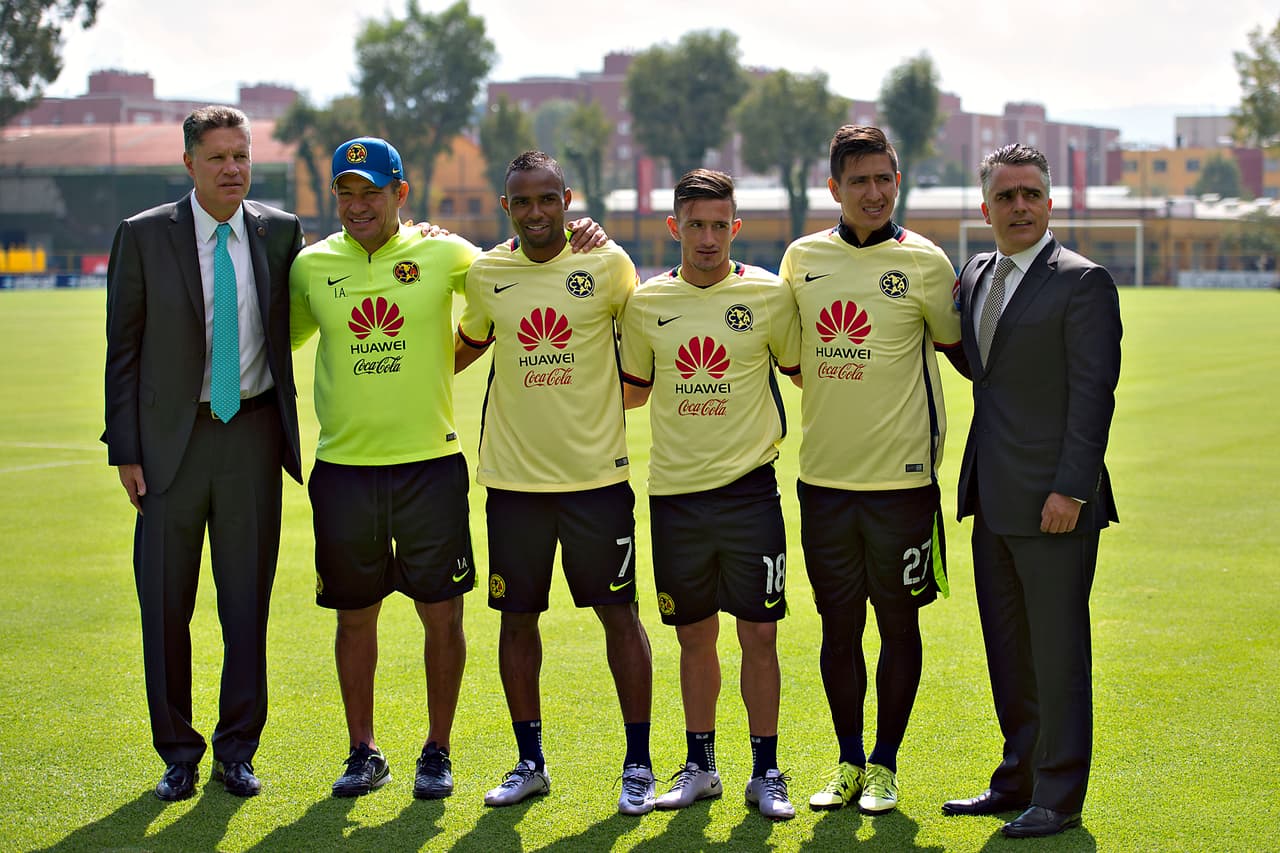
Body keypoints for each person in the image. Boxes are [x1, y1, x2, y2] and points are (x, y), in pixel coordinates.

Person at [289, 138, 606, 800]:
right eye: (346, 193)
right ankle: (363, 749)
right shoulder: (310, 267)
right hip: (344, 470)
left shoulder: (449, 254)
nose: (358, 205)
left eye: (371, 192)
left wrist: (585, 234)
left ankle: (437, 748)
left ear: (401, 194)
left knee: (443, 616)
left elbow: (523, 267)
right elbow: (271, 342)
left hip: (430, 465)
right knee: (355, 617)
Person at [103, 106, 304, 801]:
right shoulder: (143, 235)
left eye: (242, 156)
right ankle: (178, 751)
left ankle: (237, 749)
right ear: (189, 163)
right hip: (168, 446)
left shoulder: (281, 233)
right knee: (165, 605)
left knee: (246, 602)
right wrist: (125, 448)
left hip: (251, 434)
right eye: (217, 157)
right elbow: (122, 350)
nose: (232, 169)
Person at [455, 151, 655, 816]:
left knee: (619, 615)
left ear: (568, 199)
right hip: (513, 482)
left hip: (597, 480)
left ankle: (638, 763)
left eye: (548, 199)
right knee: (517, 619)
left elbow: (648, 343)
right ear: (506, 207)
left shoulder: (608, 265)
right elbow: (464, 345)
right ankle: (530, 760)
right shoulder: (487, 274)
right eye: (523, 201)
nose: (537, 212)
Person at [778, 125, 963, 815]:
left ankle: (886, 763)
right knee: (837, 627)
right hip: (823, 480)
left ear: (898, 180)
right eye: (860, 181)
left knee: (899, 623)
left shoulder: (926, 263)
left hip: (904, 484)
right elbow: (794, 362)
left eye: (885, 178)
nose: (875, 192)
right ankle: (849, 759)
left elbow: (961, 349)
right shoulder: (802, 259)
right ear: (835, 188)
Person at [941, 143, 1121, 839]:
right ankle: (1016, 775)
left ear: (1051, 202)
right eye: (1007, 195)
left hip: (1055, 505)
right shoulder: (976, 272)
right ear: (985, 207)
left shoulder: (1084, 282)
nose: (1020, 205)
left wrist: (1071, 490)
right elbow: (982, 365)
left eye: (1032, 193)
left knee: (1057, 652)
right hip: (993, 497)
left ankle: (1059, 793)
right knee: (1008, 650)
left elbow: (1092, 396)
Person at [619, 169, 802, 820]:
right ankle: (701, 765)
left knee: (759, 633)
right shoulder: (645, 304)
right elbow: (631, 390)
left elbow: (806, 371)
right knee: (693, 636)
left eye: (718, 225)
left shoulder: (771, 296)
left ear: (735, 228)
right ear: (675, 227)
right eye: (694, 224)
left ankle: (766, 769)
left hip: (752, 493)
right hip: (675, 496)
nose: (707, 237)